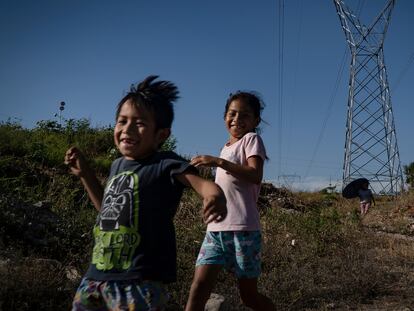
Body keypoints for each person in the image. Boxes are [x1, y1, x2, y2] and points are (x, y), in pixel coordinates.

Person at [64, 75, 227, 310]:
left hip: (139, 284)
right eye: (121, 121)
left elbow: (202, 184)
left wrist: (214, 196)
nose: (127, 129)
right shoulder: (116, 166)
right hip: (96, 278)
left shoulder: (165, 163)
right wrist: (85, 175)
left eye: (139, 123)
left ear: (161, 135)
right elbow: (107, 210)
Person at [185, 91, 275, 310]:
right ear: (225, 116)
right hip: (215, 230)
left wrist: (218, 162)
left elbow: (255, 175)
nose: (236, 119)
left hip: (243, 229)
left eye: (244, 115)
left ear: (256, 120)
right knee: (198, 288)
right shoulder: (225, 148)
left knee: (249, 297)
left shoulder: (252, 140)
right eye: (232, 114)